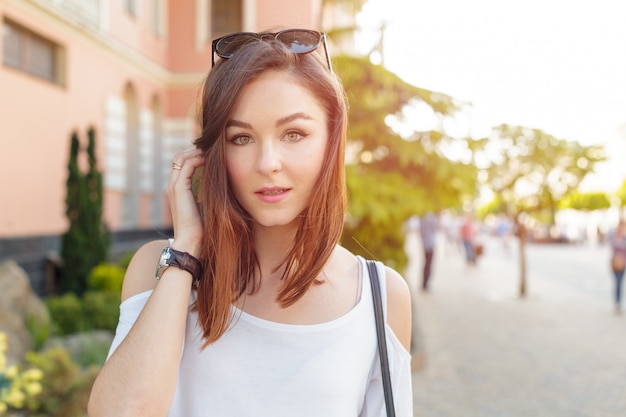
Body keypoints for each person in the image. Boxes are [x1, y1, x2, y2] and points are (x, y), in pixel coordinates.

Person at [88, 29, 413, 416]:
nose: (267, 163)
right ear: (212, 154)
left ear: (331, 141)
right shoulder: (158, 269)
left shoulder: (378, 296)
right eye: (241, 138)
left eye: (294, 134)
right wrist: (187, 250)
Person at [610, 219, 626, 315]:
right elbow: (614, 246)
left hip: (624, 263)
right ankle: (617, 303)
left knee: (620, 283)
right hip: (616, 262)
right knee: (618, 283)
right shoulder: (615, 235)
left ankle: (618, 302)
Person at [419, 212, 437, 291]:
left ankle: (424, 283)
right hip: (429, 244)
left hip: (425, 244)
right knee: (428, 264)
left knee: (426, 264)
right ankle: (425, 284)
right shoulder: (431, 217)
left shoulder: (422, 217)